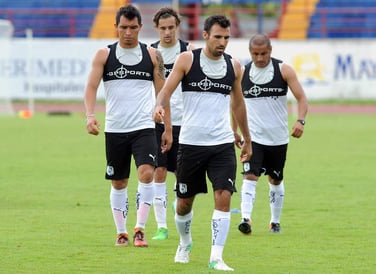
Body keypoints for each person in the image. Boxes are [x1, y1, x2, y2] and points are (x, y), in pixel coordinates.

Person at [153, 15, 252, 271]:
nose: (222, 42)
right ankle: (185, 242)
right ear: (205, 35)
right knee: (184, 204)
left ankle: (216, 257)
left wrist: (247, 138)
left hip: (221, 145)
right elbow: (166, 90)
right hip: (191, 144)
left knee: (224, 197)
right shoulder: (188, 60)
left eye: (227, 37)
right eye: (218, 36)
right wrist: (159, 106)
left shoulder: (234, 66)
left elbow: (238, 103)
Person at [83, 4, 167, 248]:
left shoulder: (152, 55)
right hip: (115, 128)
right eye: (123, 28)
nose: (128, 32)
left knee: (147, 173)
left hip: (144, 126)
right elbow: (91, 87)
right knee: (119, 182)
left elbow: (162, 91)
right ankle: (121, 232)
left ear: (140, 27)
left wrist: (162, 113)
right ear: (116, 27)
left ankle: (140, 228)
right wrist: (90, 115)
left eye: (133, 28)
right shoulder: (104, 55)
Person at [233, 34, 308, 235]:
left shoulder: (283, 70)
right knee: (250, 176)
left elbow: (301, 98)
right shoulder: (242, 73)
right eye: (255, 54)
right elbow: (236, 104)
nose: (259, 58)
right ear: (250, 52)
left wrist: (301, 120)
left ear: (271, 50)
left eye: (263, 53)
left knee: (275, 180)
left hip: (278, 138)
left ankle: (275, 222)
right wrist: (235, 131)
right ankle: (245, 219)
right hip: (253, 138)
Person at [149, 7, 195, 241]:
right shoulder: (151, 53)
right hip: (158, 122)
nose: (167, 32)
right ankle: (161, 226)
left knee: (181, 175)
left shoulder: (189, 52)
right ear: (156, 28)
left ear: (178, 27)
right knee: (158, 172)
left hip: (185, 122)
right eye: (163, 28)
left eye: (171, 28)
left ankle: (181, 219)